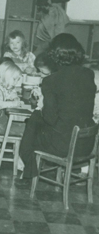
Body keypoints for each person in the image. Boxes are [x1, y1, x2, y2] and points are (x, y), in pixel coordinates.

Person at [16, 33, 96, 188]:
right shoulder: (88, 74)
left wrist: (40, 109)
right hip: (86, 144)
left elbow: (50, 118)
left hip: (62, 146)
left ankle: (29, 170)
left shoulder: (50, 81)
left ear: (53, 56)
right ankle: (32, 168)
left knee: (33, 121)